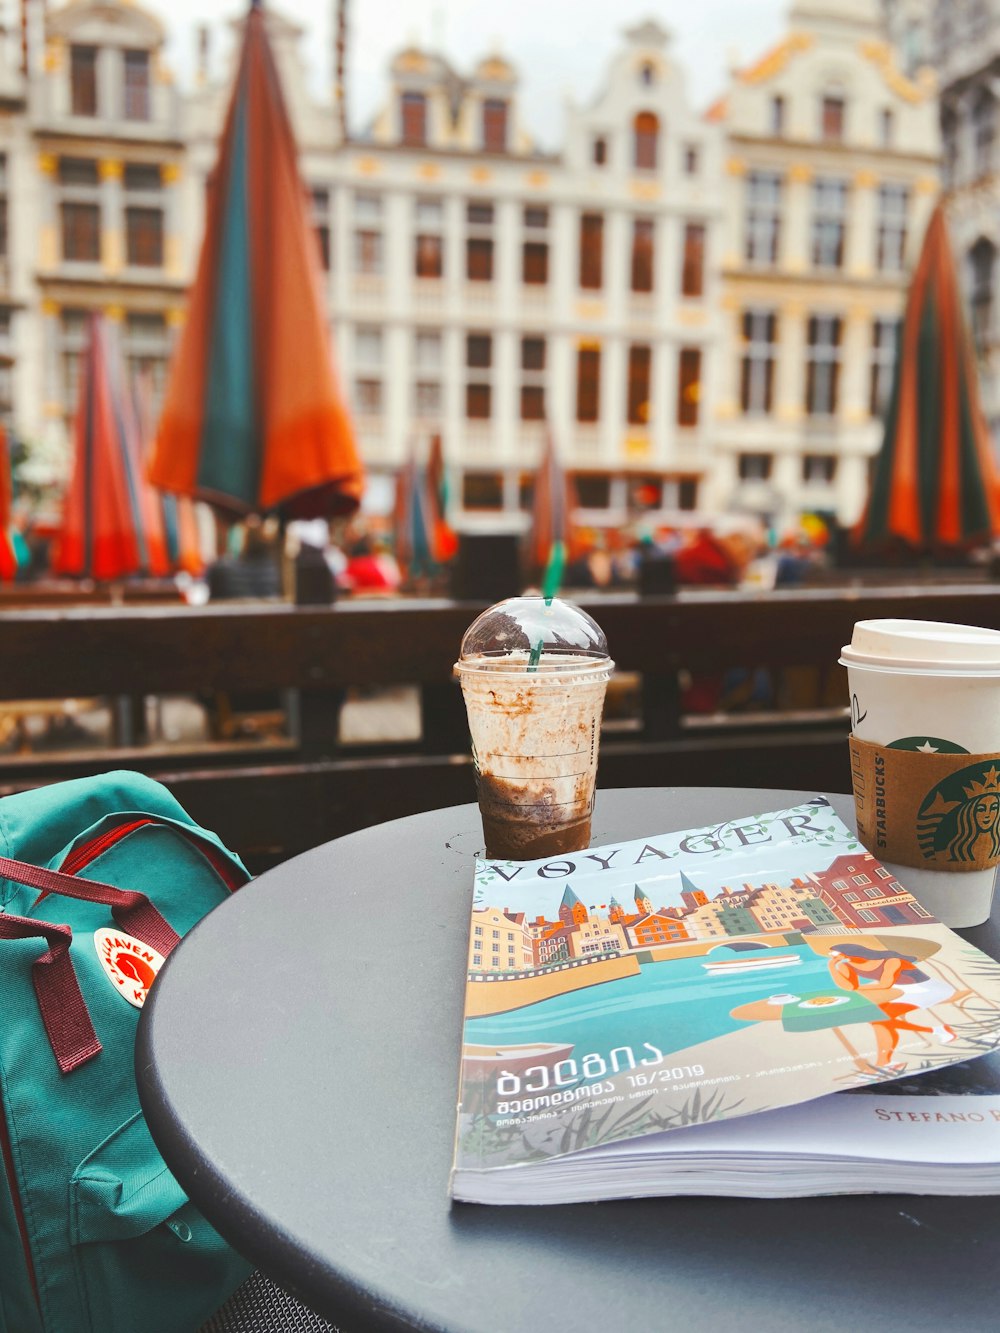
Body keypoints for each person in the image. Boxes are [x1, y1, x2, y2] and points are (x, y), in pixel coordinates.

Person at [826, 943, 959, 1066]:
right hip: (899, 991)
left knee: (879, 1019)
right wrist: (832, 967)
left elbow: (885, 984)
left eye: (834, 954)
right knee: (875, 1018)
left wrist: (859, 989)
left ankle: (885, 1062)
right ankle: (884, 1061)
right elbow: (849, 987)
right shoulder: (846, 965)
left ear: (849, 952)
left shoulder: (891, 961)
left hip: (924, 989)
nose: (832, 956)